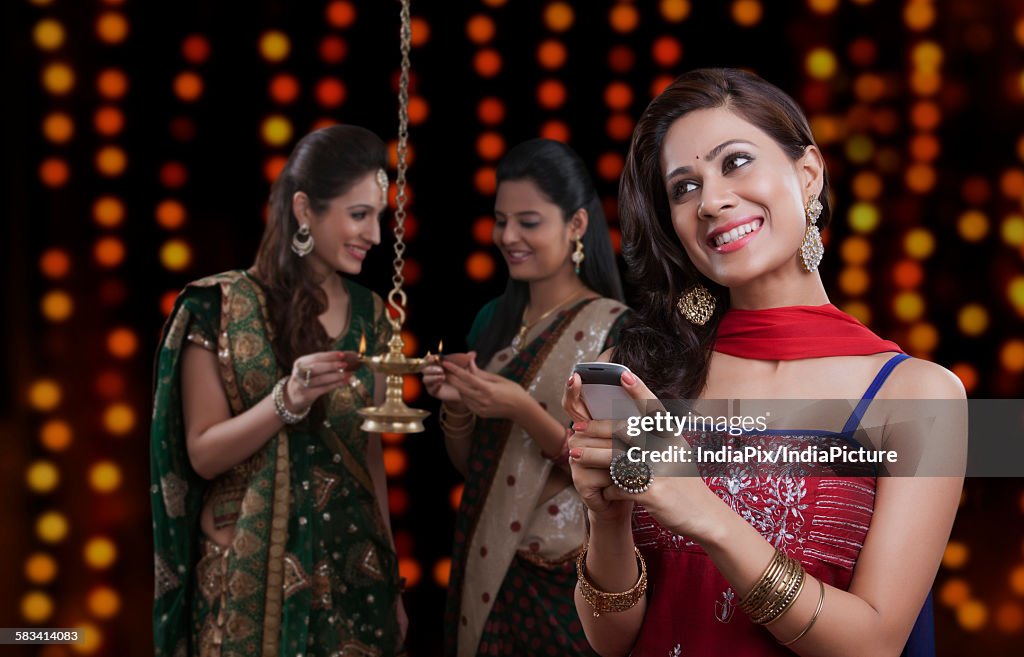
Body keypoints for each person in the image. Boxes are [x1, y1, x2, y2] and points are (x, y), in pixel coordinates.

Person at [563, 69, 966, 657]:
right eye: (683, 188)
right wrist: (608, 519)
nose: (712, 201)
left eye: (735, 162)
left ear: (808, 175)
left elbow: (874, 644)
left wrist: (706, 514)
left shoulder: (917, 395)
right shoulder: (640, 373)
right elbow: (611, 640)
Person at [151, 125, 407, 657]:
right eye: (359, 215)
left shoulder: (373, 317)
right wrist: (285, 401)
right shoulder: (218, 307)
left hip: (352, 578)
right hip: (247, 579)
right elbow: (201, 453)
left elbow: (370, 457)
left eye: (378, 216)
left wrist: (393, 580)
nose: (375, 235)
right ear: (305, 210)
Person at [422, 138, 630, 656]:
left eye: (529, 222)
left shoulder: (613, 329)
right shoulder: (491, 321)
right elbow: (476, 470)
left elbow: (619, 471)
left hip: (560, 580)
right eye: (501, 220)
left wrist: (520, 408)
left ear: (577, 225)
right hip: (487, 566)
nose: (508, 236)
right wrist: (456, 405)